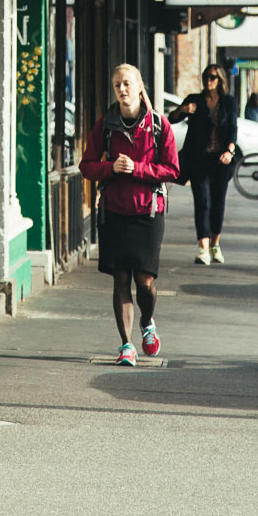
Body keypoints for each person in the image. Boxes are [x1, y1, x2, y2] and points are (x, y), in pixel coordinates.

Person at [79, 63, 179, 366]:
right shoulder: (105, 126)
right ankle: (126, 345)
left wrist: (138, 168)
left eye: (126, 84)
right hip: (113, 212)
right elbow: (86, 165)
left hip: (148, 213)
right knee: (120, 278)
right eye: (117, 85)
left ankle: (147, 321)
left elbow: (172, 170)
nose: (122, 90)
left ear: (139, 86)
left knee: (145, 280)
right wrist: (110, 168)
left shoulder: (160, 125)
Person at [177, 64, 240, 265]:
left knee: (218, 202)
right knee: (202, 202)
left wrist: (229, 151)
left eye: (213, 77)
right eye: (206, 77)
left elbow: (232, 129)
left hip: (221, 160)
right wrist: (183, 109)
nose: (208, 80)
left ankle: (215, 244)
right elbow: (171, 118)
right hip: (198, 159)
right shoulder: (195, 100)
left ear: (220, 80)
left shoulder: (228, 102)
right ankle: (203, 248)